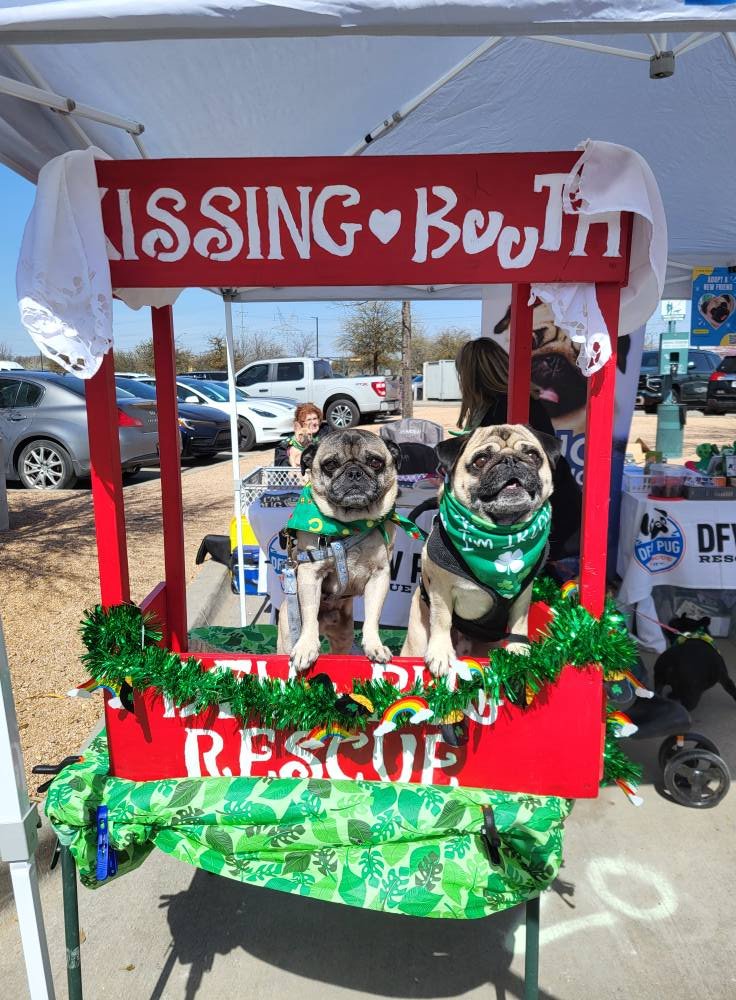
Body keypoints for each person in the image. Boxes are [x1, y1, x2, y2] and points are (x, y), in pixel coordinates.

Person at [455, 337, 582, 561]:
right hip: (548, 507)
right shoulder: (510, 404)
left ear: (471, 375)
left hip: (547, 516)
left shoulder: (506, 410)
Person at [274, 402, 330, 467]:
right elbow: (280, 465)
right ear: (300, 424)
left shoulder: (328, 433)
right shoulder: (287, 443)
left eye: (315, 418)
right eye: (309, 420)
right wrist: (293, 461)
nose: (313, 422)